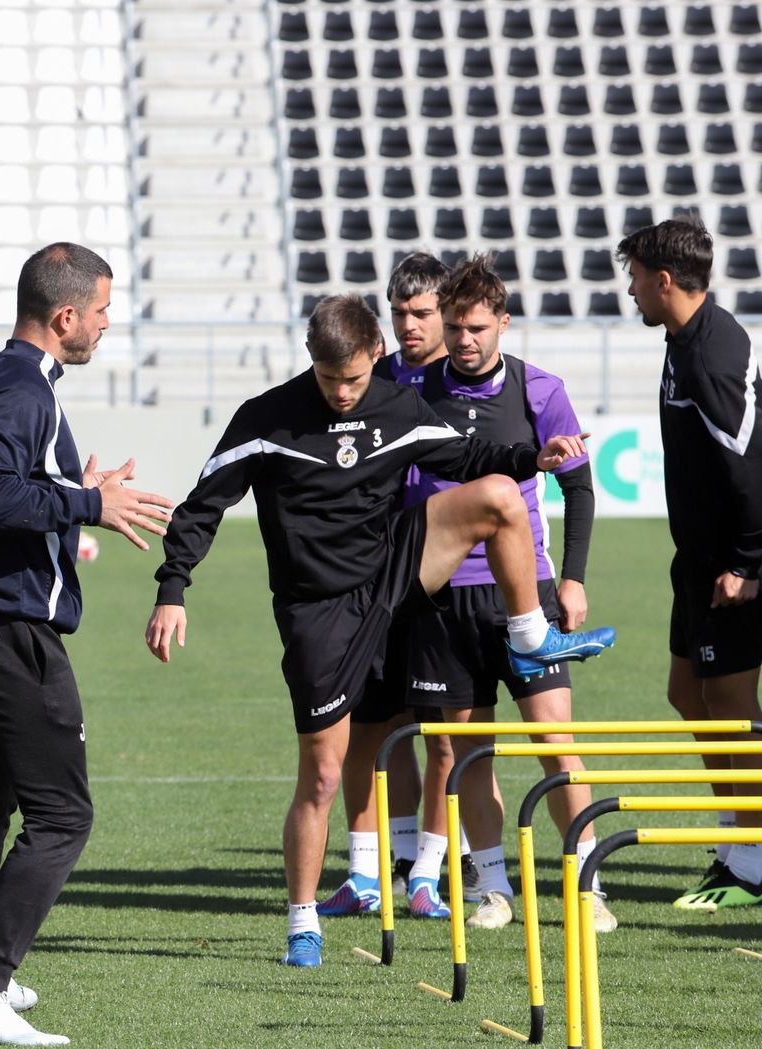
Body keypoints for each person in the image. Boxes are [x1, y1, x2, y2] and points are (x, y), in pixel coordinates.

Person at [144, 294, 616, 968]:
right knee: (323, 774)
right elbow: (202, 506)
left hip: (394, 569)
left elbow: (466, 452)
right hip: (319, 610)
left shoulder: (396, 403)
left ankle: (529, 632)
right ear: (313, 361)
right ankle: (303, 920)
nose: (342, 392)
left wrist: (530, 457)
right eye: (329, 378)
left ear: (375, 358)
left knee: (499, 497)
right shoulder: (266, 419)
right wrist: (173, 589)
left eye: (355, 378)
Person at [0, 243, 171, 1044]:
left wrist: (77, 496)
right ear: (65, 315)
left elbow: (9, 487)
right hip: (4, 629)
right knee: (63, 814)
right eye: (101, 311)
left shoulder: (8, 381)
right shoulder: (18, 388)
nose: (106, 324)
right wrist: (87, 504)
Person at [393, 255, 614, 933]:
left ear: (503, 324)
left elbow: (577, 486)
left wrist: (572, 578)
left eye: (477, 327)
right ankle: (494, 887)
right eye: (455, 326)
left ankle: (588, 885)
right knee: (461, 753)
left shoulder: (539, 390)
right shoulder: (413, 391)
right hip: (440, 601)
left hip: (524, 594)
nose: (464, 339)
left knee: (554, 740)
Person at [619, 218, 762, 908]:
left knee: (733, 707)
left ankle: (752, 863)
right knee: (689, 696)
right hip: (697, 562)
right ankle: (737, 843)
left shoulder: (712, 354)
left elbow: (750, 471)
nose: (633, 290)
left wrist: (749, 565)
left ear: (665, 280)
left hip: (732, 570)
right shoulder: (686, 339)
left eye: (637, 277)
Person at [319, 252, 450, 917]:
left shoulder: (464, 378)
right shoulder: (379, 375)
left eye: (421, 312)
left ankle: (433, 868)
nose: (409, 325)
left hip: (448, 575)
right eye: (399, 313)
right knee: (376, 719)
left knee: (447, 727)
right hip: (375, 571)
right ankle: (384, 867)